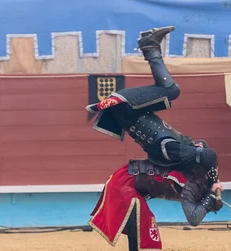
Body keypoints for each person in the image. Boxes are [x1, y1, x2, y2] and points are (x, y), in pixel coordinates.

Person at [88, 157, 224, 251]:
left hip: (122, 182)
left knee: (138, 244)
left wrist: (210, 198)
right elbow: (194, 218)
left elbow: (198, 204)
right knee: (147, 239)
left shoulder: (187, 172)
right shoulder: (191, 181)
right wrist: (210, 197)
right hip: (123, 186)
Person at [86, 26, 212, 169]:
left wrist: (213, 179)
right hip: (130, 111)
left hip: (128, 109)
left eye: (198, 145)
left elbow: (209, 156)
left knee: (172, 90)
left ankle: (150, 46)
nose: (196, 143)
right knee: (170, 90)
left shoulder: (175, 149)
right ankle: (149, 45)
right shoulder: (177, 147)